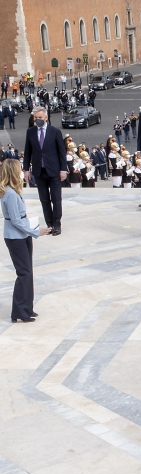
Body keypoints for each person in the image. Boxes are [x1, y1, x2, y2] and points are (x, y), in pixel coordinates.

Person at [1, 159, 52, 322]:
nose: (22, 172)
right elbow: (15, 220)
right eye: (20, 169)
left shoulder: (14, 191)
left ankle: (27, 308)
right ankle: (19, 311)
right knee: (24, 273)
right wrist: (36, 232)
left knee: (28, 272)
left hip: (22, 235)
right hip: (15, 237)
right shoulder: (9, 194)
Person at [23, 106, 66, 236]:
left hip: (54, 171)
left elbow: (61, 152)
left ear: (46, 118)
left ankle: (57, 224)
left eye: (40, 117)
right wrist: (26, 169)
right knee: (44, 200)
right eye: (36, 118)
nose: (38, 120)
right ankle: (50, 225)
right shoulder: (30, 132)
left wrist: (63, 170)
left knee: (56, 199)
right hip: (39, 171)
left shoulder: (55, 132)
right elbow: (28, 152)